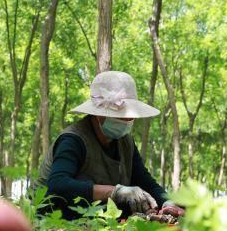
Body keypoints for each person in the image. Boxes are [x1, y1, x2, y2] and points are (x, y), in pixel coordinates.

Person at [34, 71, 184, 220]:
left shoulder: (125, 143)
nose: (129, 120)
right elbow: (58, 185)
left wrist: (167, 201)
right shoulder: (73, 140)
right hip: (53, 217)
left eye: (130, 115)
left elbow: (145, 181)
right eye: (122, 116)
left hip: (94, 218)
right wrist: (115, 191)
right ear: (99, 114)